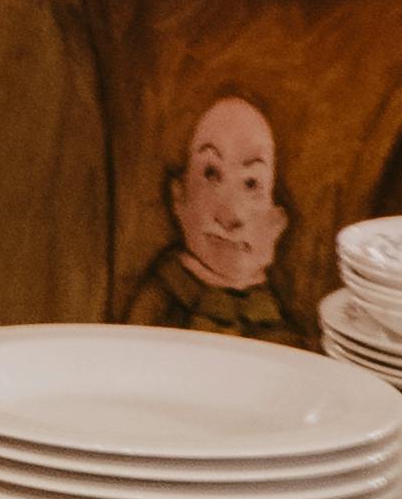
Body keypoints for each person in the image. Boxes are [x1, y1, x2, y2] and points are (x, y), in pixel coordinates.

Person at [123, 89, 310, 341]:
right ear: (179, 197)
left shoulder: (277, 322)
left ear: (276, 222)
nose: (230, 215)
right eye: (211, 173)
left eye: (251, 183)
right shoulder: (159, 302)